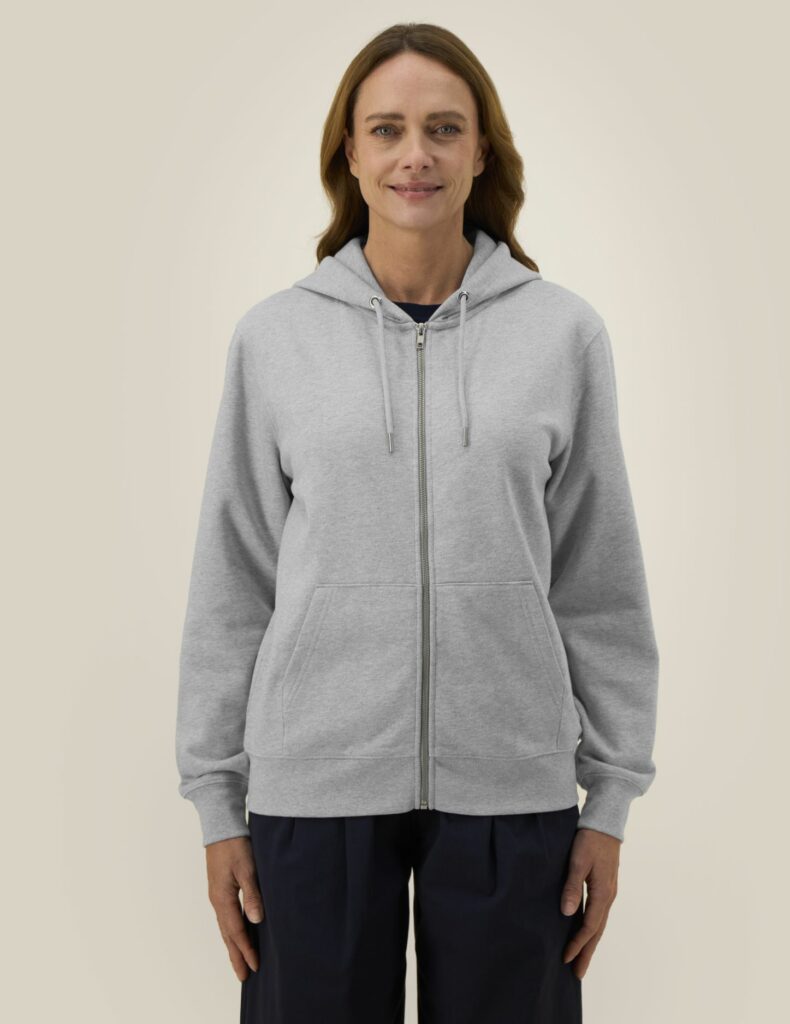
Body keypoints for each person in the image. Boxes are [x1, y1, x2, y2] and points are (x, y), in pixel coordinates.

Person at [174, 22, 659, 1024]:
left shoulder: (561, 335)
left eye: (443, 128)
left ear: (481, 152)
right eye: (387, 129)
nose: (415, 155)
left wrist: (609, 800)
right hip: (314, 786)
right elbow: (234, 579)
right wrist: (218, 802)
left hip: (511, 788)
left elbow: (599, 583)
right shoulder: (276, 338)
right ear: (349, 155)